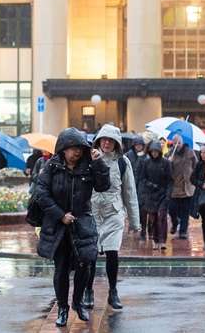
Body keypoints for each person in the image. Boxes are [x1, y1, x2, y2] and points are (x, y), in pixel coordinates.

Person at [34, 128, 110, 327]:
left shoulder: (89, 165)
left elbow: (103, 186)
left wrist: (99, 162)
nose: (76, 152)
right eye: (72, 148)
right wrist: (60, 215)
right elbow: (41, 193)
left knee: (85, 265)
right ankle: (62, 307)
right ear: (63, 149)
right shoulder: (51, 166)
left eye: (79, 148)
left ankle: (77, 302)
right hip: (58, 225)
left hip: (82, 223)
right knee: (61, 270)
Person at [84, 124, 141, 311]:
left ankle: (113, 291)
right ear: (99, 140)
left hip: (114, 213)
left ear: (116, 143)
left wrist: (134, 222)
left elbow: (130, 192)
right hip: (92, 213)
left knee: (112, 253)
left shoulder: (123, 162)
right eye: (104, 139)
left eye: (110, 140)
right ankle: (88, 290)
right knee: (90, 255)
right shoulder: (88, 159)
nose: (106, 143)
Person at [139, 140, 173, 250]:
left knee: (161, 216)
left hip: (162, 194)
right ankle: (155, 240)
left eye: (156, 151)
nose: (154, 153)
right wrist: (148, 186)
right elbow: (142, 178)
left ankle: (162, 240)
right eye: (152, 151)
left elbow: (170, 180)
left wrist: (168, 194)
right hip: (150, 194)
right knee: (153, 217)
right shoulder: (146, 163)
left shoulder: (166, 163)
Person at [168, 133, 197, 239]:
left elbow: (195, 165)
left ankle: (183, 231)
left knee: (185, 211)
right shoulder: (170, 154)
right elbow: (166, 172)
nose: (177, 144)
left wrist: (193, 177)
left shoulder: (190, 152)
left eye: (179, 142)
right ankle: (175, 223)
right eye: (175, 143)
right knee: (172, 209)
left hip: (187, 187)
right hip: (174, 188)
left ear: (182, 143)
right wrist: (169, 163)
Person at [126, 135, 149, 239]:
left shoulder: (145, 156)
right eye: (137, 145)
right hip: (130, 184)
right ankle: (135, 224)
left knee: (142, 208)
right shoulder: (128, 156)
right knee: (132, 207)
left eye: (140, 145)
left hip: (142, 186)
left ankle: (142, 229)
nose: (138, 147)